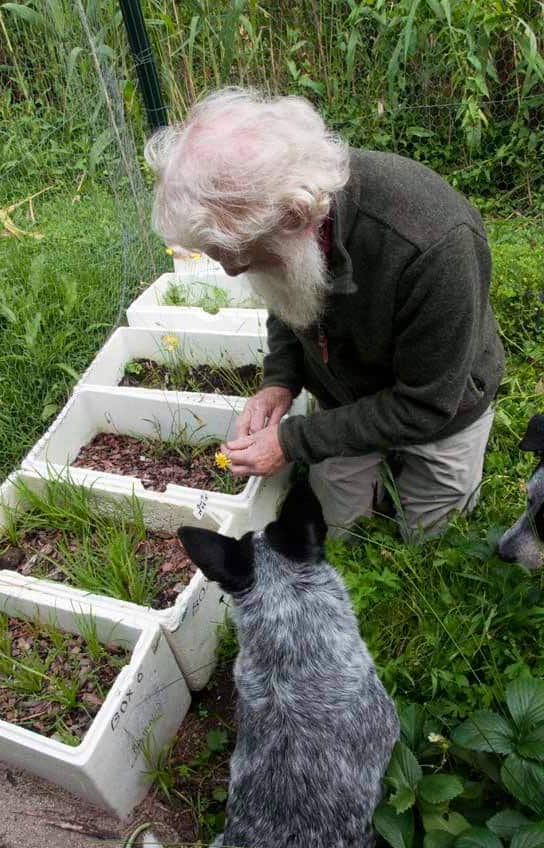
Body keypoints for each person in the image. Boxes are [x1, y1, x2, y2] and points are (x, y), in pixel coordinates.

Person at [144, 87, 505, 537]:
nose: (233, 270)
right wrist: (279, 381)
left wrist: (295, 440)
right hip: (345, 390)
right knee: (338, 527)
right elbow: (287, 298)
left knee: (429, 536)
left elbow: (426, 404)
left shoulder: (433, 246)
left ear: (295, 218)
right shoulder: (290, 220)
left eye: (239, 254)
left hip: (442, 403)